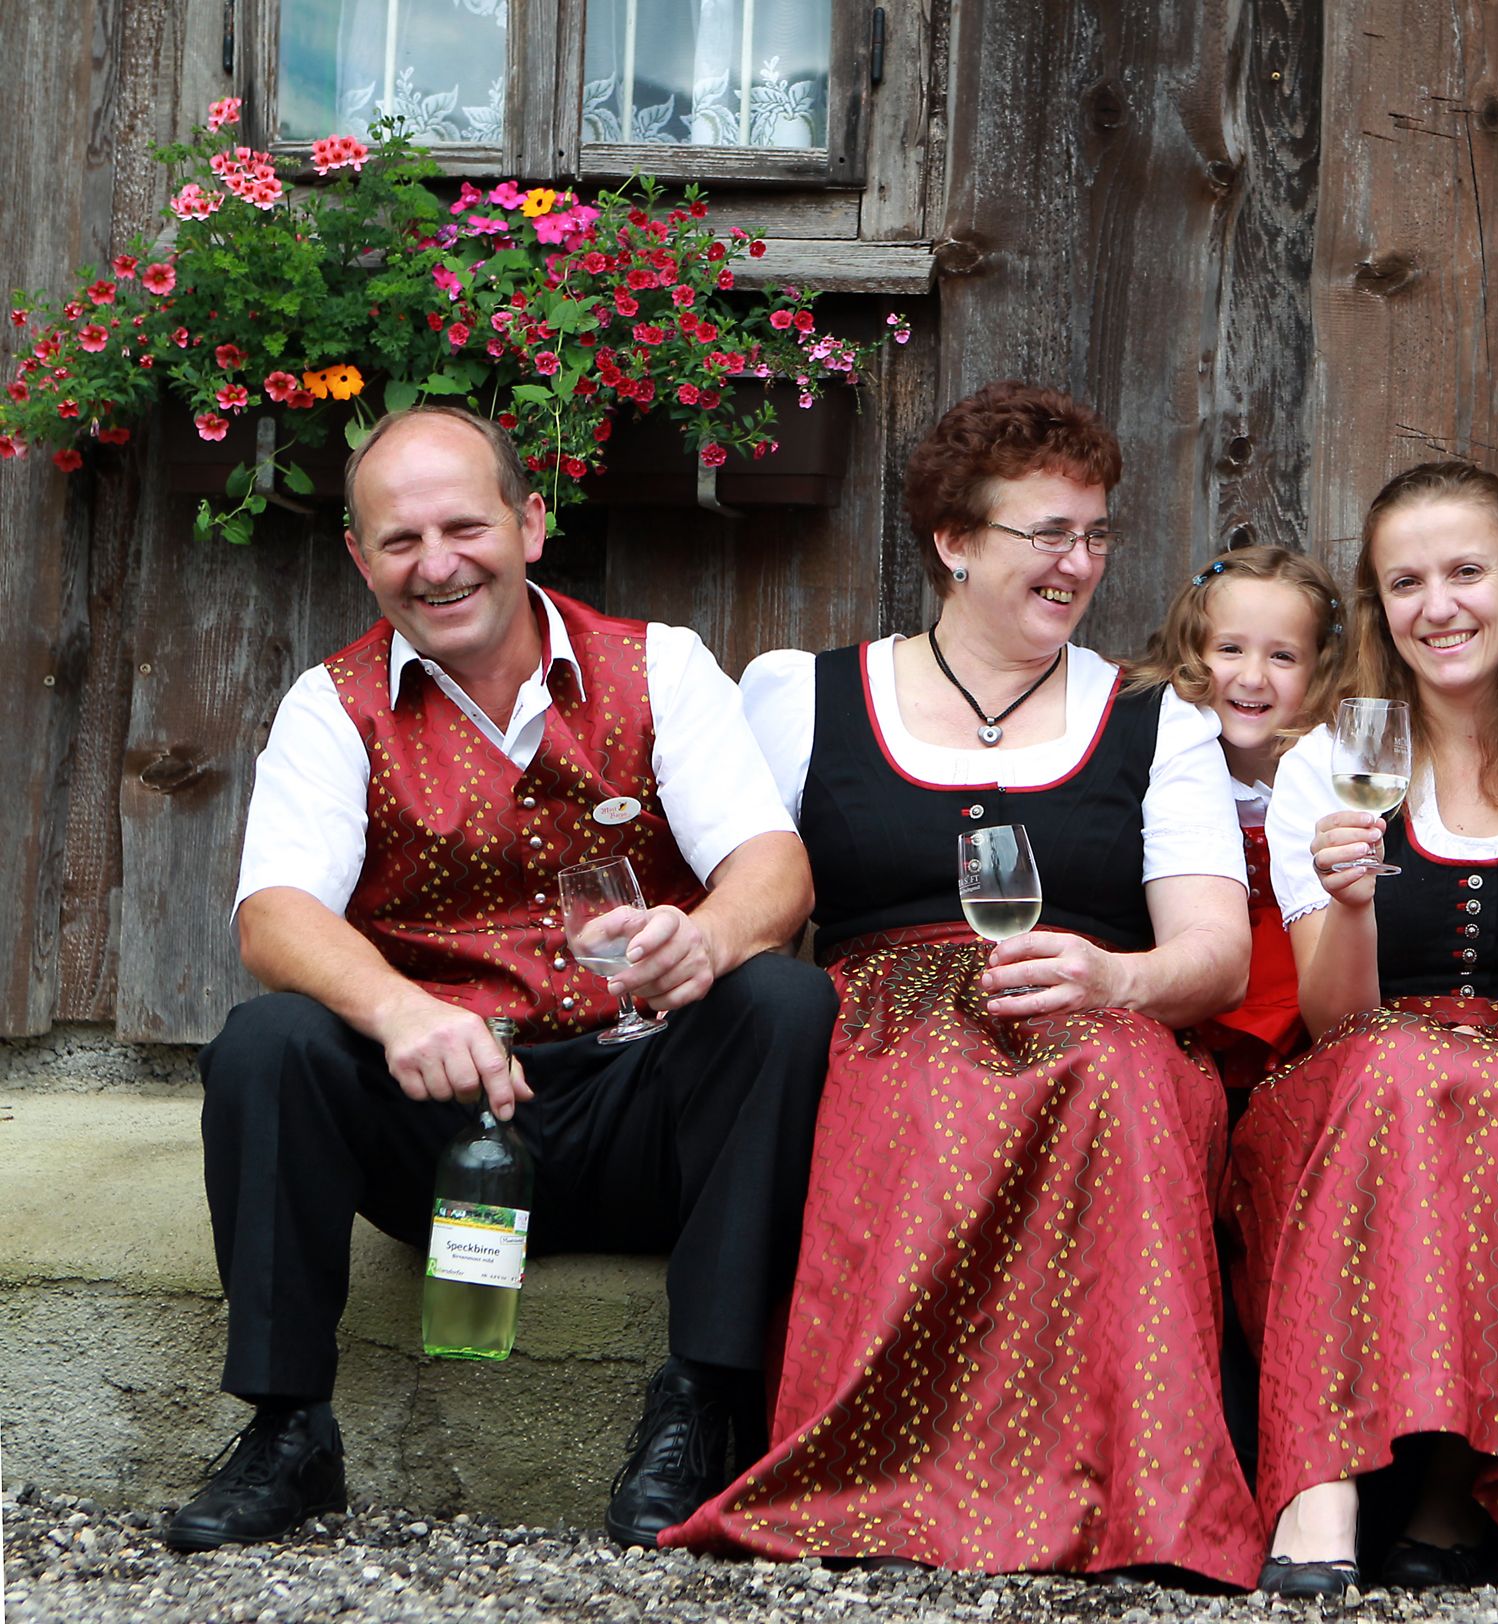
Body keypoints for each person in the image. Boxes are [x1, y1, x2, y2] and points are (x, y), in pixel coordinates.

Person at [172, 406, 835, 1554]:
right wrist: (401, 1010)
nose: (437, 564)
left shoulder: (660, 664)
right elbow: (273, 913)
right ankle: (288, 1429)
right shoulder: (332, 704)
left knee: (783, 999)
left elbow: (772, 865)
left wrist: (714, 938)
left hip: (644, 1109)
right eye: (400, 540)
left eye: (464, 525)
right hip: (446, 1123)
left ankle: (702, 1405)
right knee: (265, 1043)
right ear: (358, 556)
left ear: (530, 522)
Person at [663, 381, 1265, 1584]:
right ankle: (881, 1480)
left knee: (1125, 1082)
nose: (1079, 562)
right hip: (874, 1015)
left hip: (1095, 1012)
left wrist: (1118, 976)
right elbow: (744, 892)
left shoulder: (1156, 720)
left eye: (1095, 534)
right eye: (1047, 534)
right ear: (954, 542)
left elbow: (1218, 954)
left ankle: (1133, 1493)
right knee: (902, 1084)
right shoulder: (804, 694)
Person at [1225, 461, 1498, 1599]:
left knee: (1466, 1093)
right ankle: (1321, 1483)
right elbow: (1335, 1020)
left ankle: (1449, 1484)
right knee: (1392, 1072)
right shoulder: (1330, 764)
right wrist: (1355, 900)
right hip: (1356, 1081)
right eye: (1406, 581)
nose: (1441, 605)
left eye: (1468, 571)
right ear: (1379, 608)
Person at [1126, 545, 1349, 1091]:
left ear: (1321, 668)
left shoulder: (1335, 773)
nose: (1252, 677)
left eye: (1283, 657)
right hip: (1191, 1009)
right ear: (1189, 653)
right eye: (1229, 649)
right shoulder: (1160, 764)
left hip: (1305, 1009)